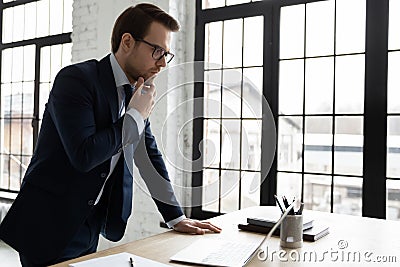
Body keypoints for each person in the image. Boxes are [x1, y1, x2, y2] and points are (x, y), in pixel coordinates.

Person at [0, 3, 221, 266]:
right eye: (157, 51)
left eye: (167, 55)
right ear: (127, 41)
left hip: (91, 222)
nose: (162, 63)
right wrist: (136, 117)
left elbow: (148, 156)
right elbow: (84, 154)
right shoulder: (76, 80)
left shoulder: (134, 94)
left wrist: (176, 218)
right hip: (48, 223)